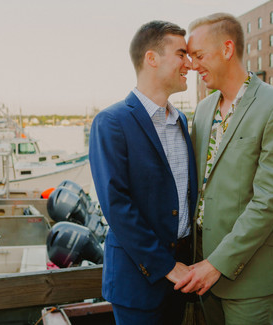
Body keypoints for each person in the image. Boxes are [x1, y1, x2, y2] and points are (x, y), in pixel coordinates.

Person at [174, 13, 273, 324]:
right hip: (202, 270)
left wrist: (216, 263)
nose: (192, 66)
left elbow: (269, 201)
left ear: (228, 49)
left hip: (251, 278)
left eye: (199, 55)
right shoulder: (203, 110)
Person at [89, 20, 198, 325]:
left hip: (182, 278)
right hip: (138, 282)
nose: (188, 63)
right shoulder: (111, 122)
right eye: (181, 54)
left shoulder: (182, 122)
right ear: (152, 58)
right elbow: (117, 207)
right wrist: (166, 266)